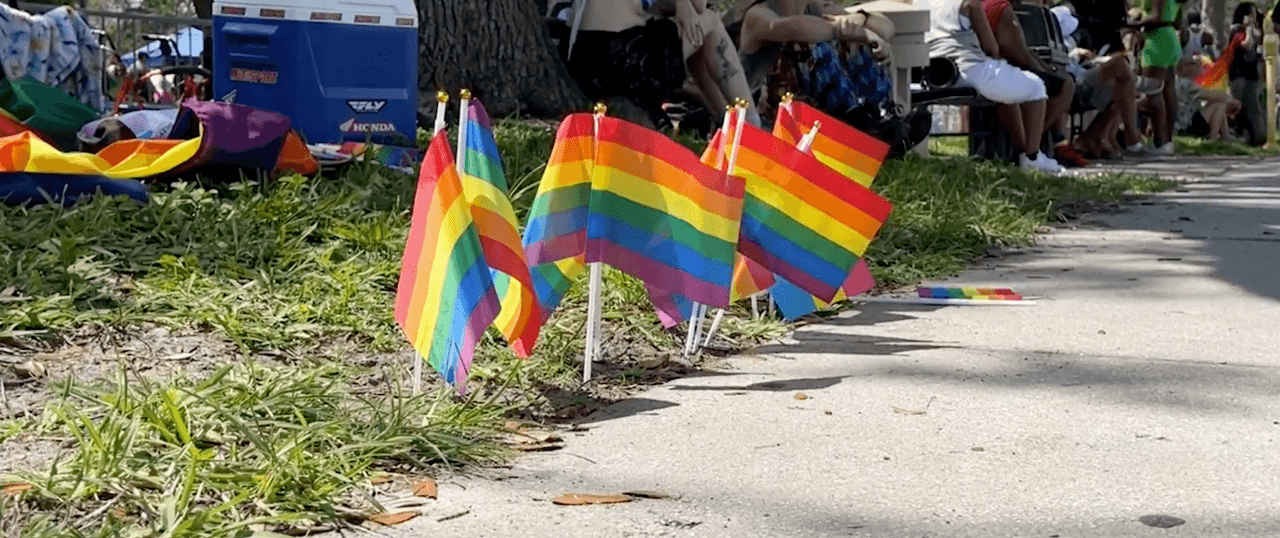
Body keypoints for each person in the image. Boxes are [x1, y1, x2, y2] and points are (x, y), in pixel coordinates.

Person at [566, 0, 762, 128]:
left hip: (586, 56)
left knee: (693, 32)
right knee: (709, 22)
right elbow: (700, 6)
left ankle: (728, 122)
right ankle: (749, 122)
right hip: (623, 57)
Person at [922, 0, 1064, 172]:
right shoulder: (970, 2)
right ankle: (1032, 157)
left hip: (931, 73)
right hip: (968, 71)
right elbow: (991, 47)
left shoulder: (919, 2)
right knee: (1036, 87)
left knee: (1010, 87)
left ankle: (1022, 153)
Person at [735, 0, 895, 124]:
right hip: (764, 120)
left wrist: (862, 20)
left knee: (856, 43)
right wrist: (855, 31)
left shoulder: (815, 8)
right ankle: (851, 122)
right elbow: (792, 28)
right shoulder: (757, 14)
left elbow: (886, 27)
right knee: (813, 45)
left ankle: (877, 116)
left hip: (810, 112)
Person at [982, 0, 1086, 167]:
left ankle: (1029, 149)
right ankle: (1030, 151)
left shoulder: (981, 5)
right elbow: (1019, 53)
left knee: (1030, 83)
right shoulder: (1000, 7)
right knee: (1063, 84)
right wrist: (1043, 69)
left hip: (982, 67)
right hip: (993, 70)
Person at [1051, 4, 1154, 160]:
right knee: (1119, 65)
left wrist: (1087, 57)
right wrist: (1075, 54)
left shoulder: (1070, 40)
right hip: (1072, 83)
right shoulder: (1056, 42)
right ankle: (1130, 139)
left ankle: (1092, 138)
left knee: (1123, 87)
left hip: (1082, 74)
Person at [1136, 0, 1185, 156]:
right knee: (1168, 92)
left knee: (1153, 93)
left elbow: (1155, 17)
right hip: (1170, 39)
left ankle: (1160, 141)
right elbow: (1178, 22)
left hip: (1156, 41)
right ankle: (1167, 141)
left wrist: (1132, 24)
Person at [1172, 56, 1240, 141]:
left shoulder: (1185, 81)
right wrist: (1230, 99)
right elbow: (1206, 94)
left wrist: (1227, 99)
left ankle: (1224, 135)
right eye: (1195, 64)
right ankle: (1214, 137)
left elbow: (1204, 98)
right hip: (1185, 126)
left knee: (1218, 103)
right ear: (1184, 67)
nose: (1201, 66)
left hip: (1188, 122)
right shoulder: (1185, 83)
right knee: (1219, 105)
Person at [1227, 2, 1265, 146]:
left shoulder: (1254, 31)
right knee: (1237, 107)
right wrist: (1249, 30)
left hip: (1252, 73)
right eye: (1251, 14)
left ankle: (1257, 137)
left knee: (1254, 107)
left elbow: (1258, 48)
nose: (1253, 18)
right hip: (1239, 74)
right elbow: (1245, 45)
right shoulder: (1236, 30)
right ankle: (1235, 135)